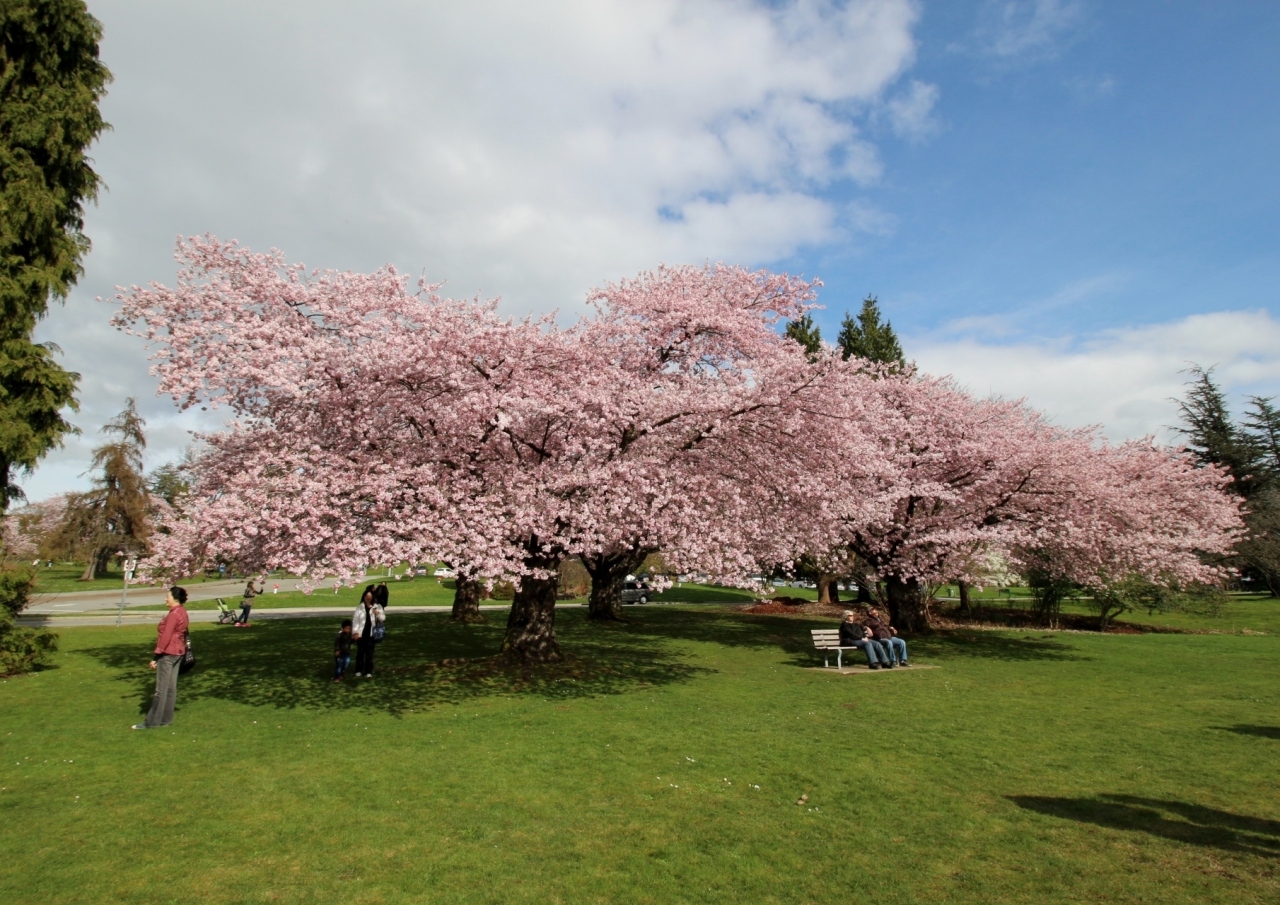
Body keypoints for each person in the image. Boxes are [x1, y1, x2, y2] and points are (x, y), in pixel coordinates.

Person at [133, 587, 190, 729]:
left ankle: (151, 722)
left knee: (161, 690)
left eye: (167, 596)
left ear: (175, 599)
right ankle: (166, 719)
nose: (166, 599)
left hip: (168, 653)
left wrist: (156, 656)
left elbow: (166, 637)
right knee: (170, 688)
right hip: (178, 653)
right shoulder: (182, 612)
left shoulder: (173, 615)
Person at [351, 589, 385, 678]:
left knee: (369, 653)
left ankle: (368, 671)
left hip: (371, 634)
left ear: (372, 597)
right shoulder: (360, 607)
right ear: (364, 597)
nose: (368, 598)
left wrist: (377, 613)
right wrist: (355, 632)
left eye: (370, 596)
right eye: (366, 596)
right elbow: (355, 621)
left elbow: (382, 618)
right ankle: (358, 670)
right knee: (360, 653)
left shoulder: (377, 606)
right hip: (361, 634)